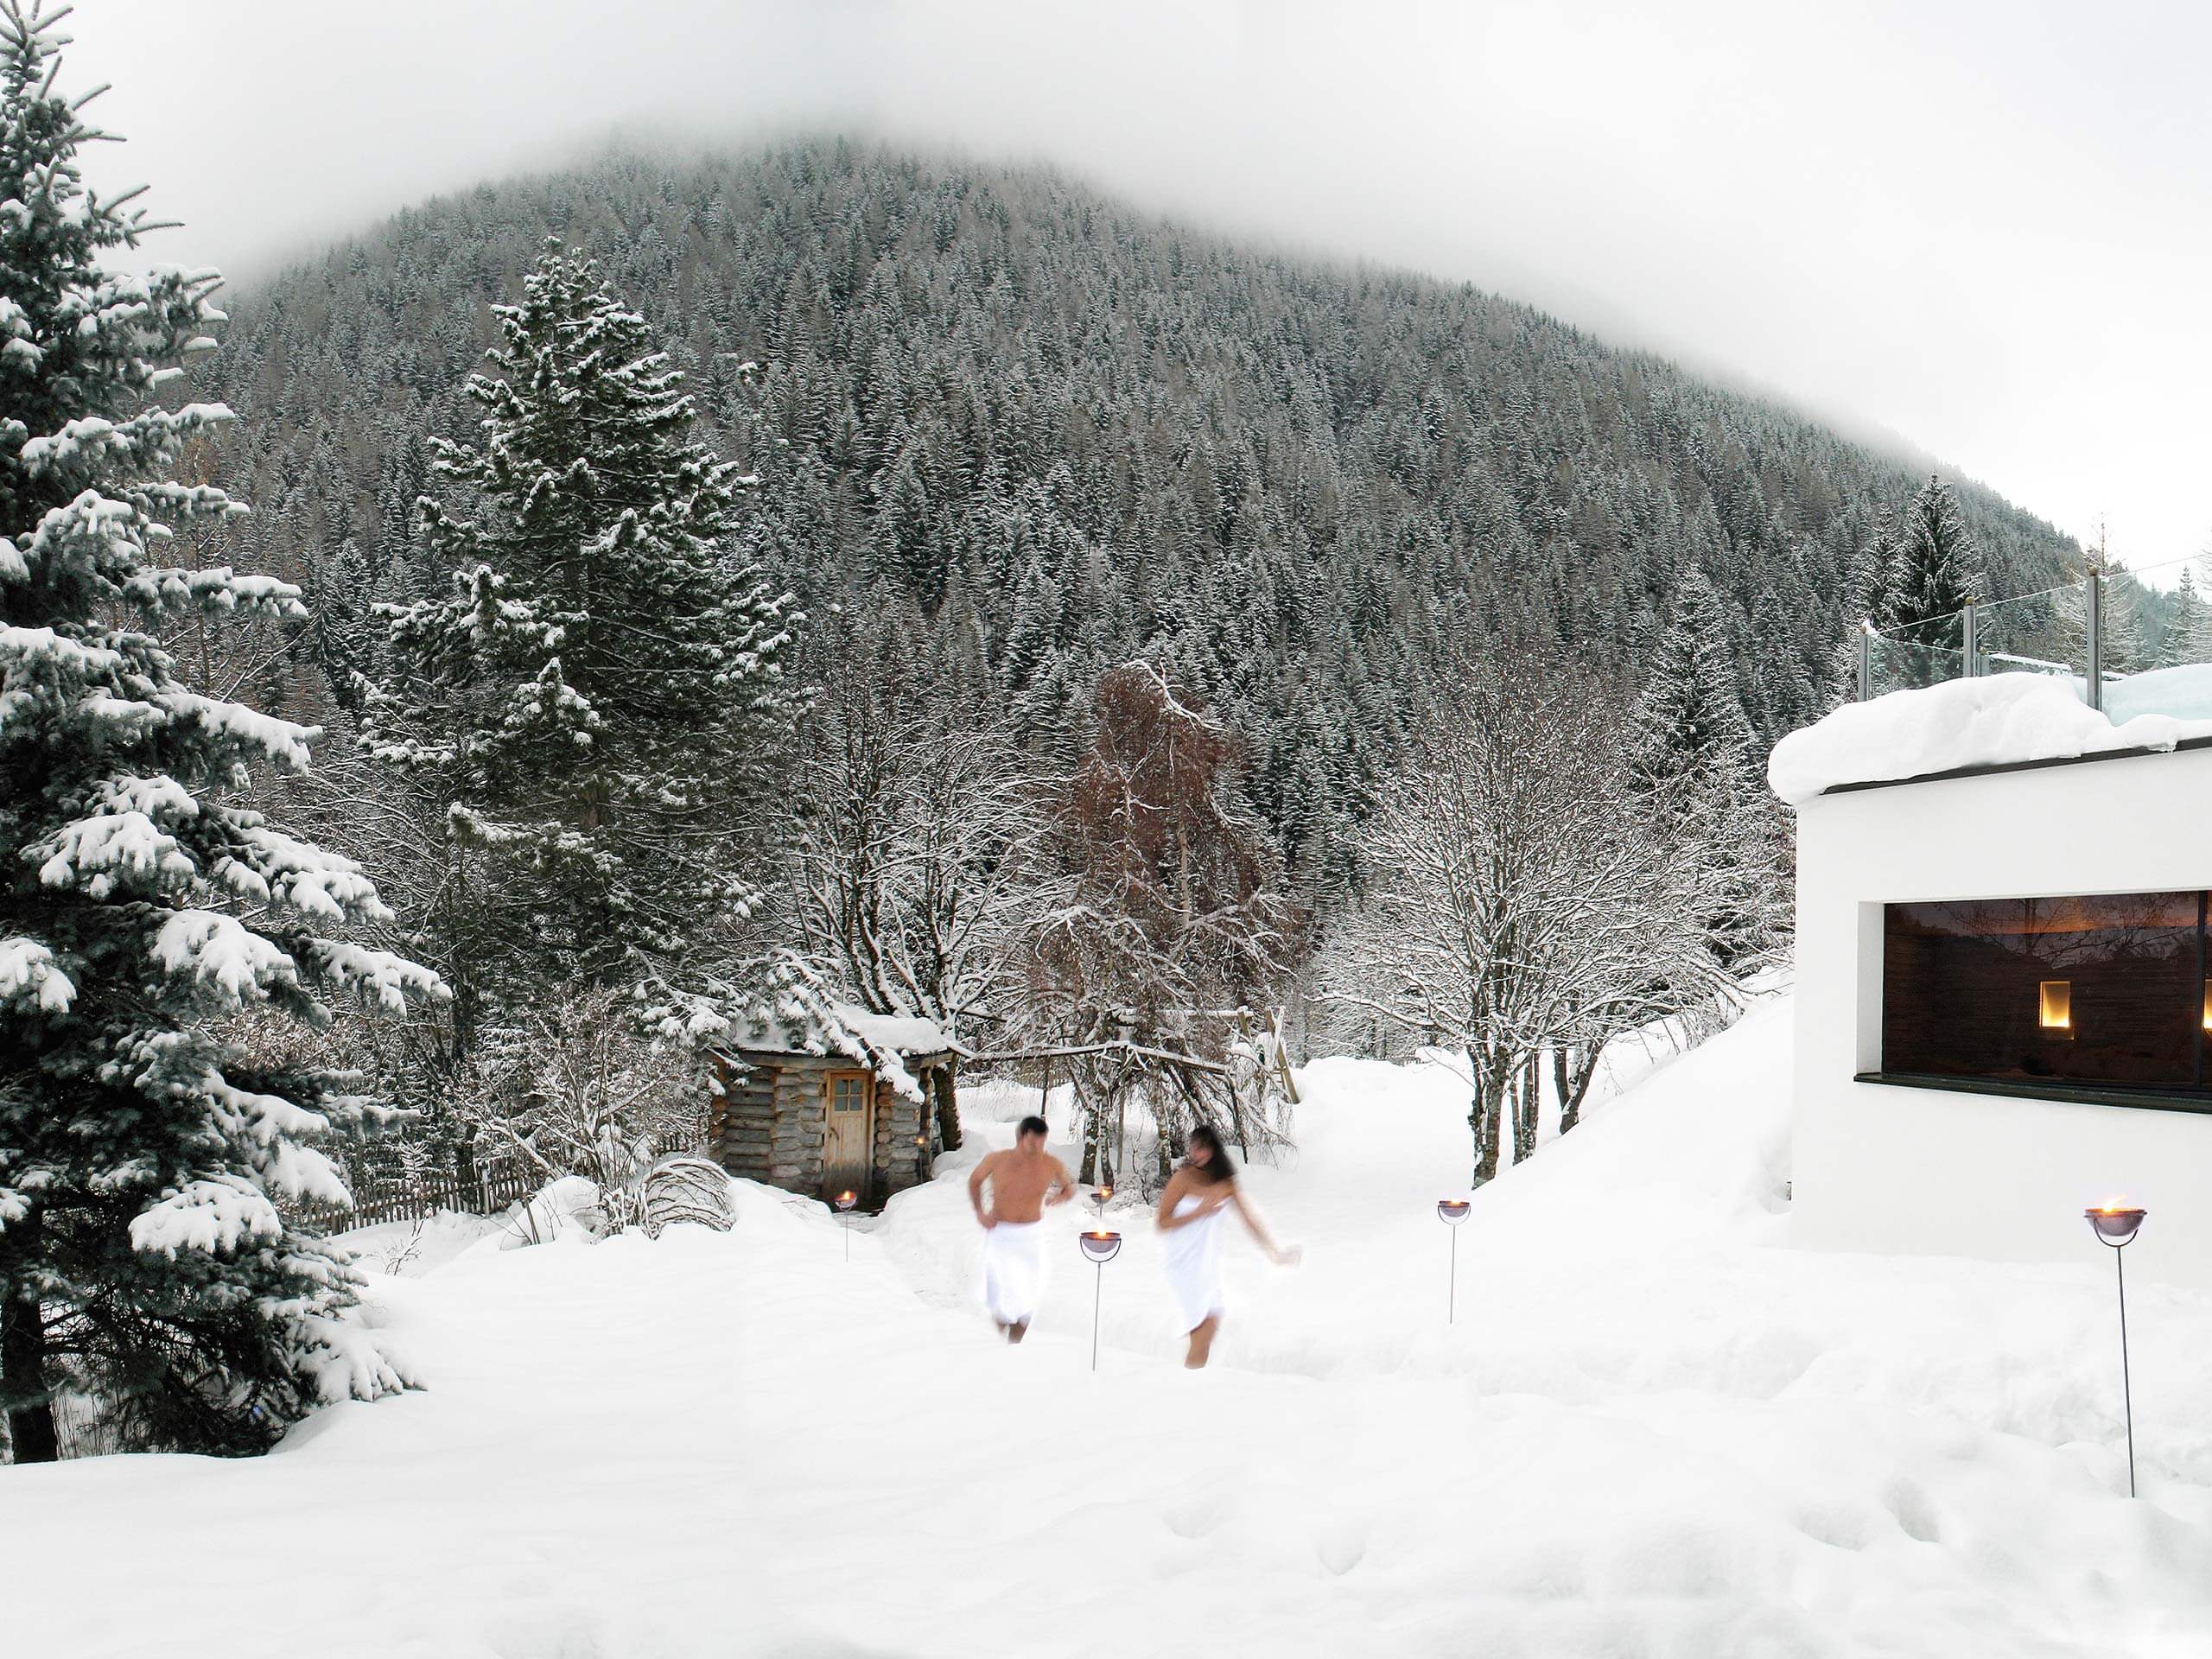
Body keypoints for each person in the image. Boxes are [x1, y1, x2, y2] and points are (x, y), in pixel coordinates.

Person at [1156, 1122, 1297, 1369]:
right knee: (1203, 1325)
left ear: (1213, 1149)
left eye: (1202, 1148)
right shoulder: (1182, 1178)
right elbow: (1162, 1222)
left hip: (1206, 1262)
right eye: (1193, 1148)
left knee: (1210, 1323)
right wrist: (1198, 1212)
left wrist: (1274, 1252)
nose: (1196, 1153)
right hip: (1182, 1261)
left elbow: (1249, 1219)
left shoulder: (1225, 1184)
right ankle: (1188, 1381)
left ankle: (1192, 1377)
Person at [967, 1115, 1075, 1343]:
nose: (1038, 1146)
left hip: (1030, 1234)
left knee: (1027, 1293)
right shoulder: (997, 1160)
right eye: (1034, 1141)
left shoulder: (1051, 1163)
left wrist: (1060, 1197)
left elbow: (1069, 1187)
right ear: (1021, 1137)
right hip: (1000, 1231)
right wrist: (980, 1212)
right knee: (998, 1292)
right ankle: (996, 1341)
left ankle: (1015, 1344)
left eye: (1042, 1141)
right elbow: (974, 1181)